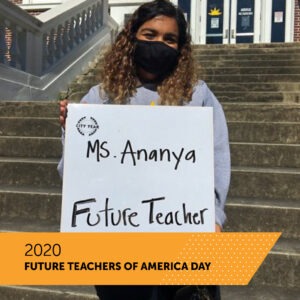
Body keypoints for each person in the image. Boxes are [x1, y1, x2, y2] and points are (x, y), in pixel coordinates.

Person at [58, 0, 230, 299]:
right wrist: (70, 133)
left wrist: (213, 217)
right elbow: (75, 172)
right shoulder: (100, 98)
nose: (159, 44)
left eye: (170, 39)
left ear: (181, 47)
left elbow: (216, 158)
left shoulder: (197, 94)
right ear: (130, 37)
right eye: (149, 35)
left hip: (180, 236)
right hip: (117, 242)